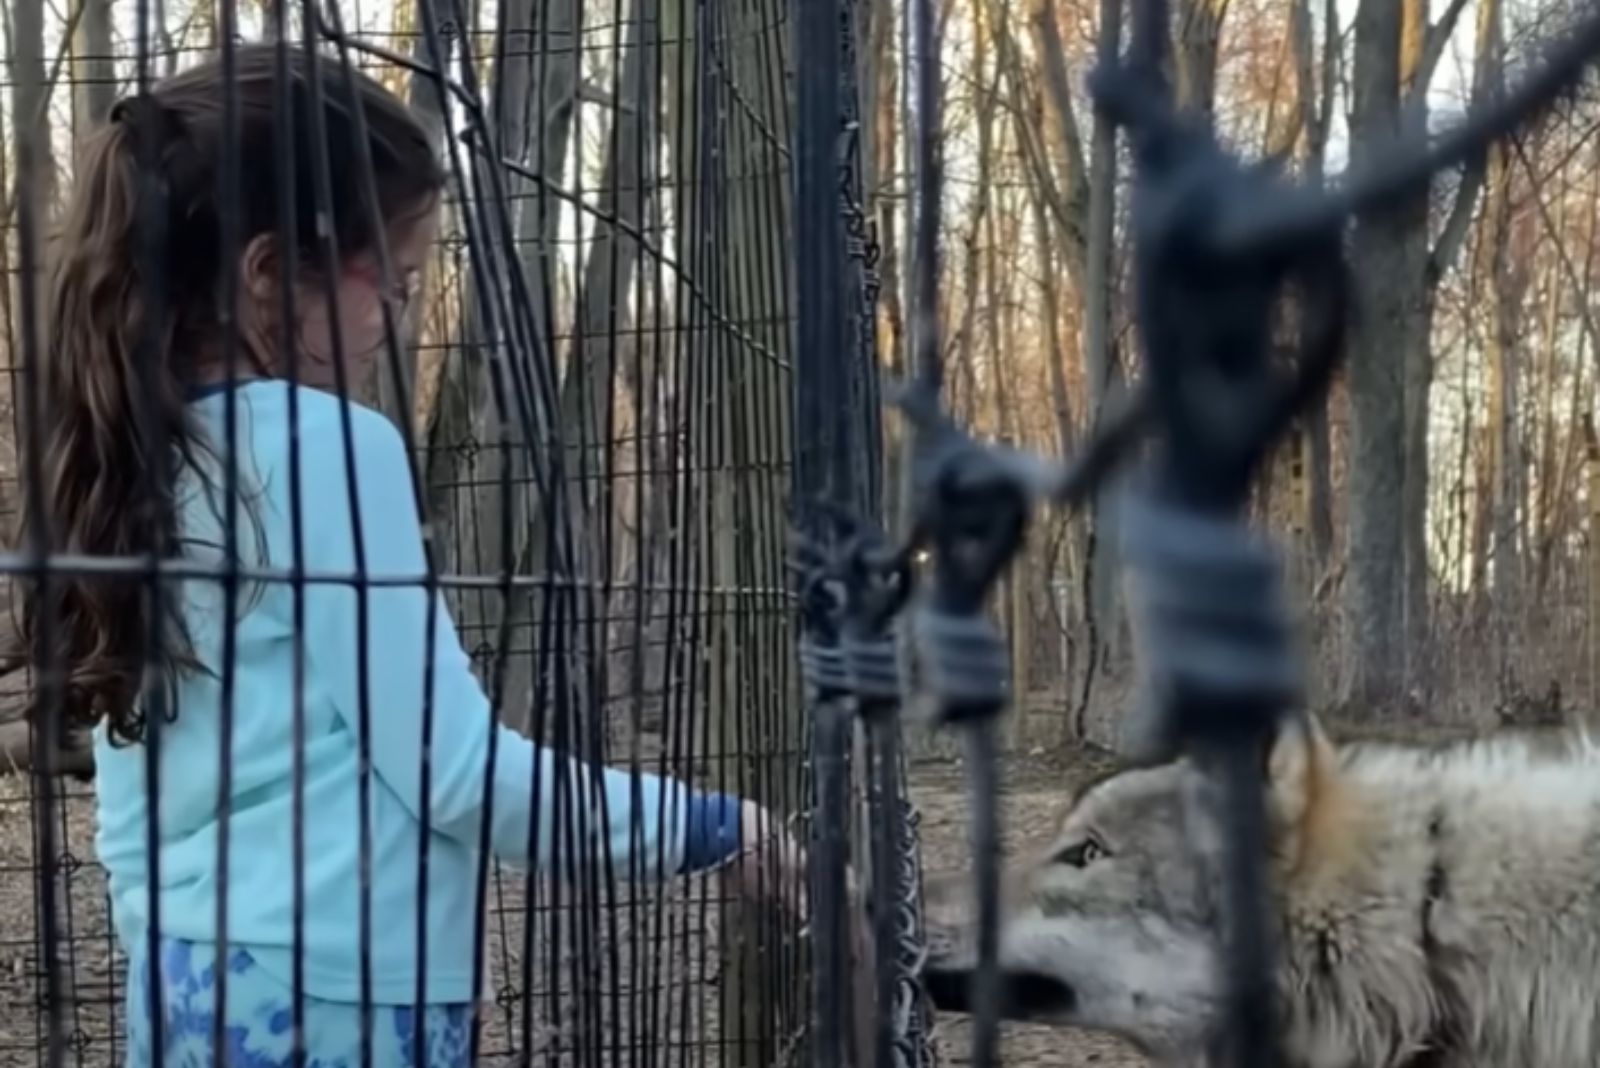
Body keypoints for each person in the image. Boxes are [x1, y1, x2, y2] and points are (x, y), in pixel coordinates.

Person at [14, 45, 803, 1068]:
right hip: (342, 998)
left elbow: (140, 795)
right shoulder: (328, 448)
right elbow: (457, 774)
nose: (398, 317)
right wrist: (711, 825)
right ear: (266, 276)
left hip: (188, 981)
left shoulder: (132, 458)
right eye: (394, 282)